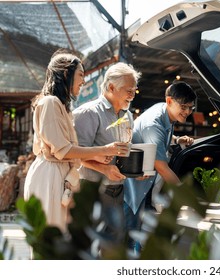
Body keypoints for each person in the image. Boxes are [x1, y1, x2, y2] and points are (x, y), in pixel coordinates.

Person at [24, 50, 128, 233]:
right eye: (81, 75)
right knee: (51, 239)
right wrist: (103, 150)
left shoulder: (60, 106)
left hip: (59, 174)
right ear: (66, 74)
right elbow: (63, 150)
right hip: (49, 175)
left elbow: (68, 150)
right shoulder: (50, 103)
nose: (83, 81)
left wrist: (100, 154)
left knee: (60, 238)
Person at [123, 81, 197, 251]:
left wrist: (176, 140)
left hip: (145, 187)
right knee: (130, 239)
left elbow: (158, 138)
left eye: (191, 108)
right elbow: (162, 168)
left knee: (139, 238)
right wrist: (186, 196)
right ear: (170, 101)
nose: (187, 112)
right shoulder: (153, 123)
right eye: (184, 107)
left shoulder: (164, 111)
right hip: (132, 190)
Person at [73, 62, 142, 242]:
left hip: (118, 191)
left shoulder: (127, 116)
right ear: (111, 87)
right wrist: (104, 169)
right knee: (91, 245)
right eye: (129, 90)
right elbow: (75, 155)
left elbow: (124, 150)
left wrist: (135, 170)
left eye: (135, 90)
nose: (132, 95)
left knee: (112, 245)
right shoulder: (88, 113)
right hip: (92, 189)